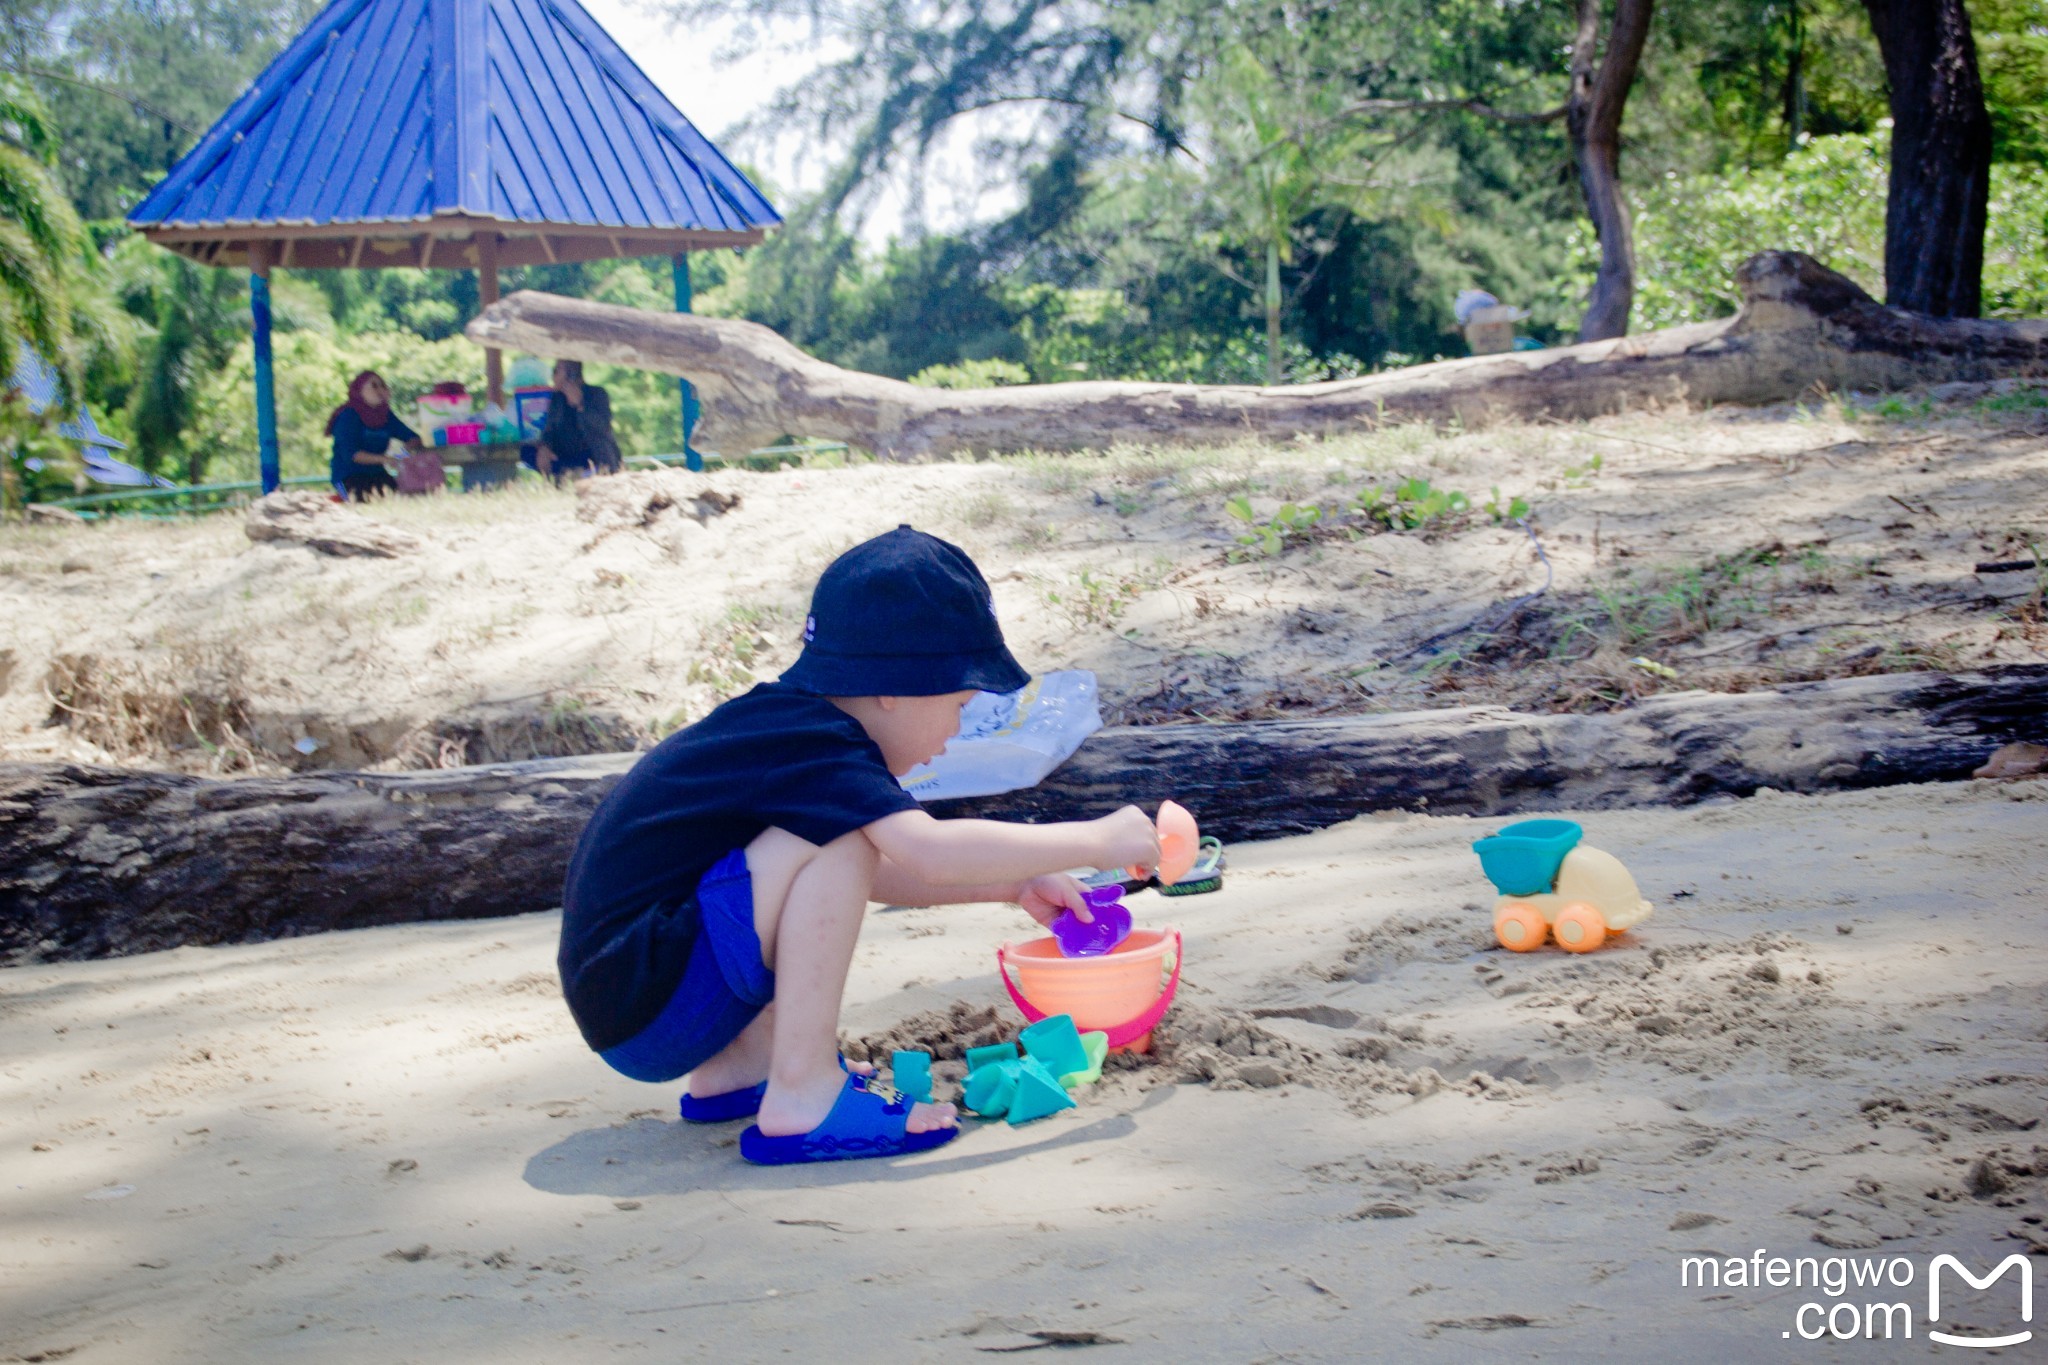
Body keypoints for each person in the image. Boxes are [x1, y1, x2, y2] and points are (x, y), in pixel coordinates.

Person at [556, 526, 1160, 1166]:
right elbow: (927, 852)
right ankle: (804, 1093)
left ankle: (741, 1069)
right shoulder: (821, 747)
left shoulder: (790, 730)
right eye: (959, 703)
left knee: (837, 841)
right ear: (893, 689)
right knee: (838, 838)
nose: (958, 730)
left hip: (635, 1001)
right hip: (648, 997)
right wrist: (1096, 840)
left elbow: (868, 873)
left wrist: (1011, 885)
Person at [327, 371, 422, 500]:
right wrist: (386, 459)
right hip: (348, 475)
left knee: (407, 497)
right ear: (359, 390)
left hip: (377, 473)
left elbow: (412, 438)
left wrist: (405, 453)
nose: (381, 390)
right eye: (374, 386)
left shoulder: (386, 416)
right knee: (368, 498)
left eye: (383, 386)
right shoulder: (348, 416)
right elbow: (351, 454)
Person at [535, 359, 622, 480]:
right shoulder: (557, 399)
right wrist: (544, 447)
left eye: (556, 371)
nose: (552, 375)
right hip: (565, 457)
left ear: (571, 374)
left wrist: (581, 405)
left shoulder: (597, 394)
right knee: (527, 451)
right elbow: (550, 428)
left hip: (593, 457)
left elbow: (603, 427)